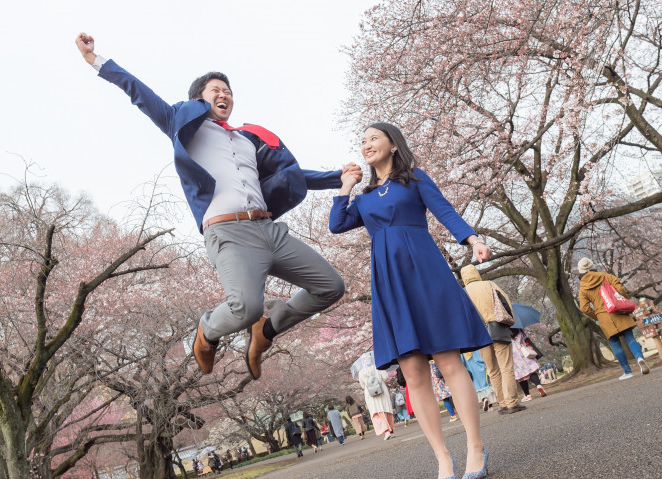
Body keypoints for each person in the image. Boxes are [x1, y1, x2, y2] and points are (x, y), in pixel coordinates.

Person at [75, 33, 362, 380]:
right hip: (229, 232)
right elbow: (139, 92)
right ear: (199, 98)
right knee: (245, 308)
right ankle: (207, 330)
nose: (224, 94)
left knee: (331, 286)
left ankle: (267, 330)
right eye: (216, 90)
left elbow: (294, 175)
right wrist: (96, 59)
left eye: (228, 91)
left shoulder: (247, 140)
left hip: (269, 229)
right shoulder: (183, 126)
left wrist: (338, 177)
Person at [329, 122, 493, 479]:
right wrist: (346, 185)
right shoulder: (365, 198)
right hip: (390, 283)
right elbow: (336, 224)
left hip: (425, 272)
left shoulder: (414, 179)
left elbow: (445, 211)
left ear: (392, 144)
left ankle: (475, 447)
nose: (366, 144)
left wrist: (472, 240)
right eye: (363, 140)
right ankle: (442, 458)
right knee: (413, 371)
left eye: (374, 137)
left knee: (449, 361)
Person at [461, 264, 525, 418]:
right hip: (497, 328)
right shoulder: (489, 285)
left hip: (479, 335)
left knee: (493, 370)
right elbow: (506, 304)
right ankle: (512, 402)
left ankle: (502, 403)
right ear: (476, 273)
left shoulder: (462, 293)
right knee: (506, 367)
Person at [577, 257, 650, 379]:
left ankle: (627, 372)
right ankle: (640, 357)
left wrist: (597, 315)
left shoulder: (583, 287)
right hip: (619, 310)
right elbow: (621, 289)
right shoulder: (606, 276)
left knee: (615, 344)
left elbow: (584, 308)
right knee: (630, 338)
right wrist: (622, 301)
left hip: (603, 317)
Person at [359, 366, 396, 440]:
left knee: (376, 412)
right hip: (381, 389)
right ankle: (390, 431)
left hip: (370, 392)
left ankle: (386, 431)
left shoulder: (361, 371)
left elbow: (362, 385)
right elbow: (385, 377)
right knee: (385, 409)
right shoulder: (377, 367)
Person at [510, 329, 547, 401]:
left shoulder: (504, 334)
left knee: (521, 377)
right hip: (526, 353)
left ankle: (527, 395)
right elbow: (527, 340)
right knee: (532, 372)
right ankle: (538, 385)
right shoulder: (519, 330)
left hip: (515, 358)